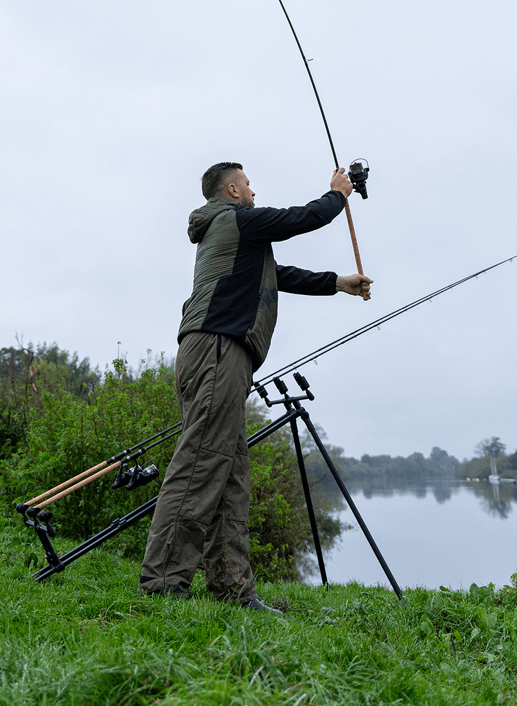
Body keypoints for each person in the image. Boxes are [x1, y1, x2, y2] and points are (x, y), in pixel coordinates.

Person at [139, 161, 371, 611]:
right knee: (202, 463)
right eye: (247, 183)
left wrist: (337, 284)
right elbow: (301, 219)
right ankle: (163, 586)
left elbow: (277, 275)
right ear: (232, 189)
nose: (252, 189)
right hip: (218, 350)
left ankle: (232, 590)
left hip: (220, 353)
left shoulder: (234, 236)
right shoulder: (234, 219)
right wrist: (338, 194)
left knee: (230, 472)